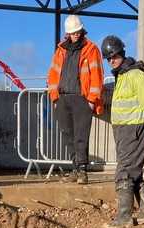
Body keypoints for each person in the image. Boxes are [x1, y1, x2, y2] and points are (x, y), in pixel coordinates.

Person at [100, 35, 144, 228]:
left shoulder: (135, 74)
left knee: (124, 171)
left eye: (114, 56)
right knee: (134, 172)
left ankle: (124, 217)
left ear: (122, 53)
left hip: (134, 128)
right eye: (109, 58)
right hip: (124, 130)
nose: (112, 60)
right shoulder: (122, 75)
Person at [47, 15, 104, 185]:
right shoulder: (61, 50)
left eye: (78, 31)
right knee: (68, 136)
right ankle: (75, 169)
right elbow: (53, 75)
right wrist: (55, 98)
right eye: (73, 32)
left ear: (82, 30)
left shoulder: (91, 49)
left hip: (82, 99)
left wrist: (91, 100)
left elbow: (97, 75)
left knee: (81, 136)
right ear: (68, 33)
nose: (76, 34)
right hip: (63, 99)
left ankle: (82, 171)